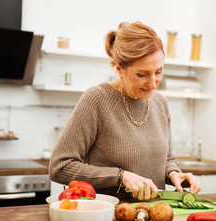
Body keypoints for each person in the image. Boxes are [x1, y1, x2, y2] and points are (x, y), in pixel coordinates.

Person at [49, 21, 201, 201]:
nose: (153, 83)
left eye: (158, 72)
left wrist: (175, 174)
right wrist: (120, 177)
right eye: (142, 74)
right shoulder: (97, 99)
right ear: (119, 69)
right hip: (111, 219)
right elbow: (60, 167)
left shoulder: (161, 103)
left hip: (156, 217)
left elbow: (167, 159)